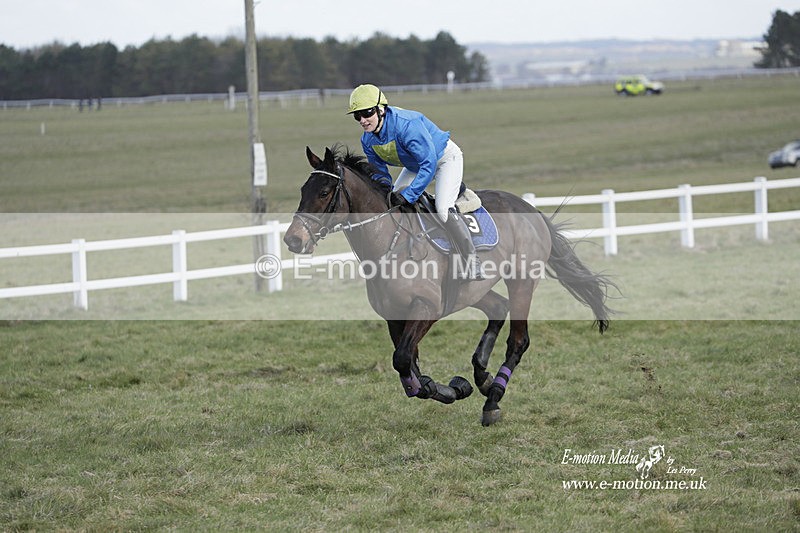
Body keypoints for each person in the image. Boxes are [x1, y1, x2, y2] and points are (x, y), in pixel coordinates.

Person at [347, 83, 483, 281]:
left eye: (366, 113)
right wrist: (386, 193)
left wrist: (409, 195)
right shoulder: (367, 140)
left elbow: (429, 164)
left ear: (381, 109)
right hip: (416, 165)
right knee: (393, 201)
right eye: (357, 116)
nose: (362, 120)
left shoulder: (406, 125)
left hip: (444, 159)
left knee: (443, 208)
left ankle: (473, 261)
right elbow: (380, 174)